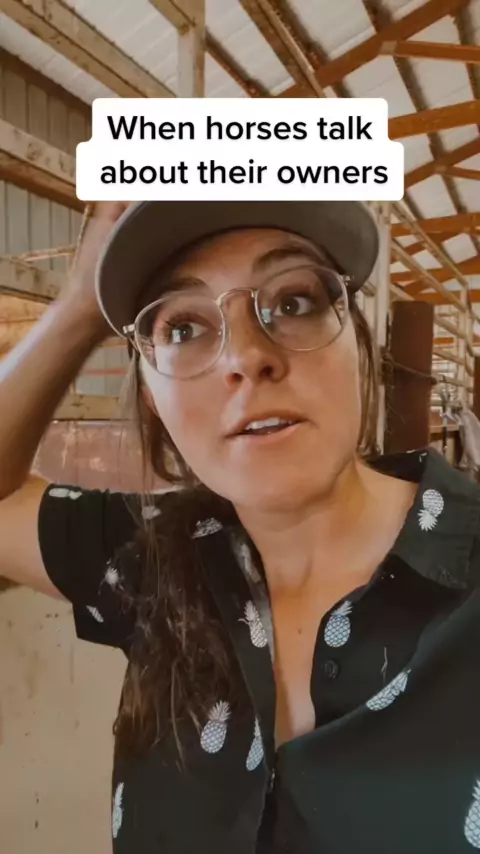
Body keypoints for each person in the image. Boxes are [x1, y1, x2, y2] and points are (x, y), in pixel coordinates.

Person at [1, 200, 480, 854]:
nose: (247, 357)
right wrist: (80, 307)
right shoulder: (149, 553)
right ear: (153, 398)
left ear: (359, 346)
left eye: (293, 302)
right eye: (184, 327)